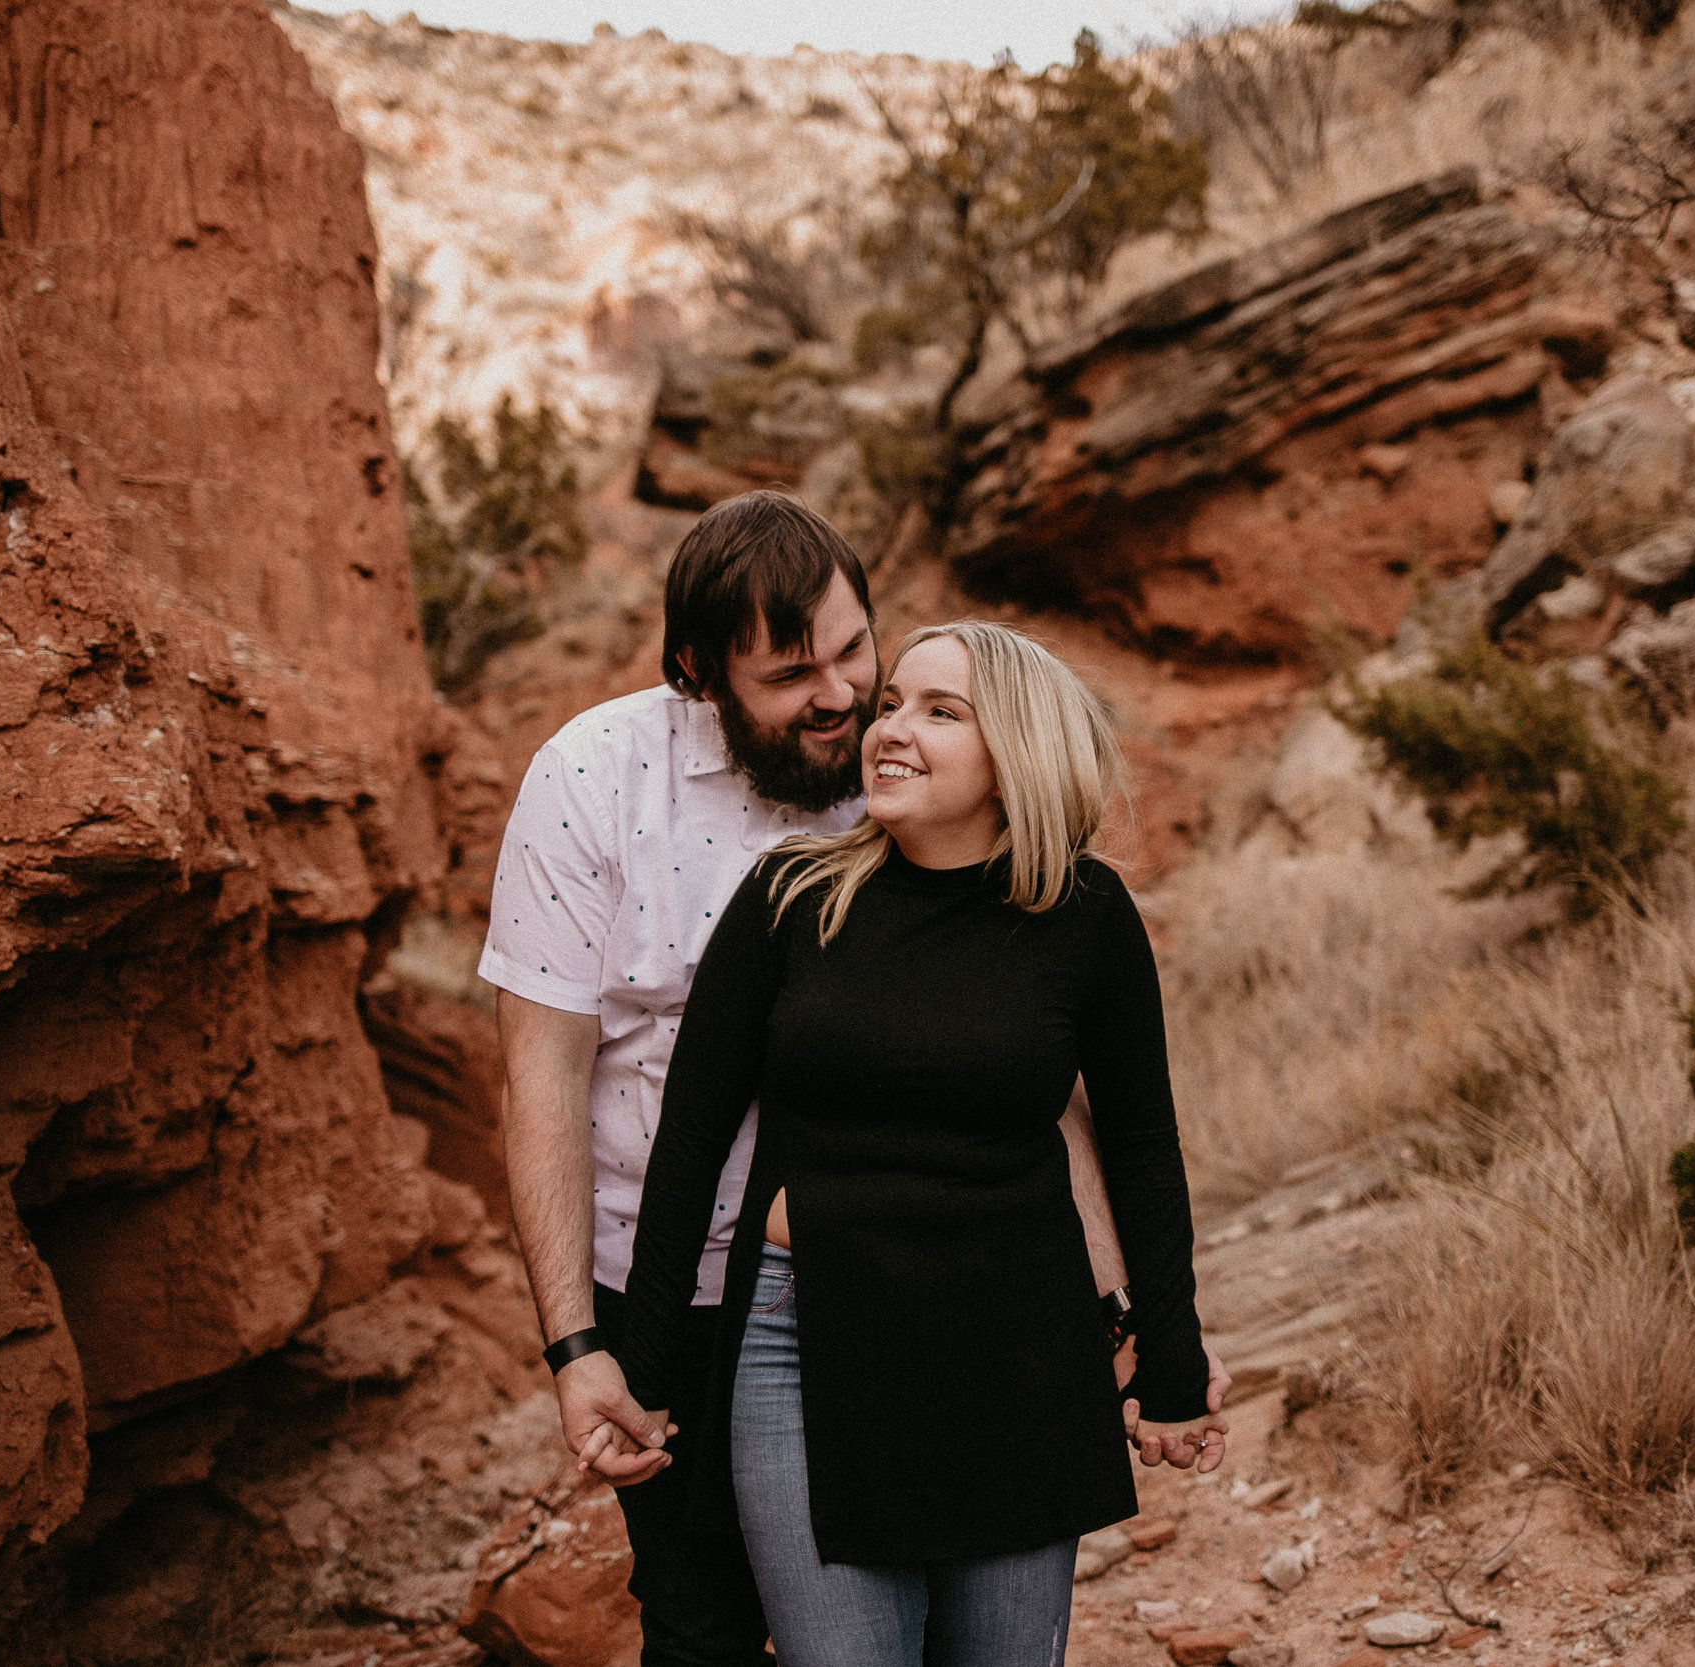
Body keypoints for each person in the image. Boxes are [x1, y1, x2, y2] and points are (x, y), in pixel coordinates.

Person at [480, 496, 1214, 1667]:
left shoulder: (953, 819)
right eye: (792, 671)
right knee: (704, 1623)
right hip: (690, 1279)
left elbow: (1068, 1106)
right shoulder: (612, 787)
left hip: (953, 1297)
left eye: (855, 654)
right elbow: (551, 1080)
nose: (847, 700)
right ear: (699, 672)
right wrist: (593, 1352)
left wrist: (1135, 1327)